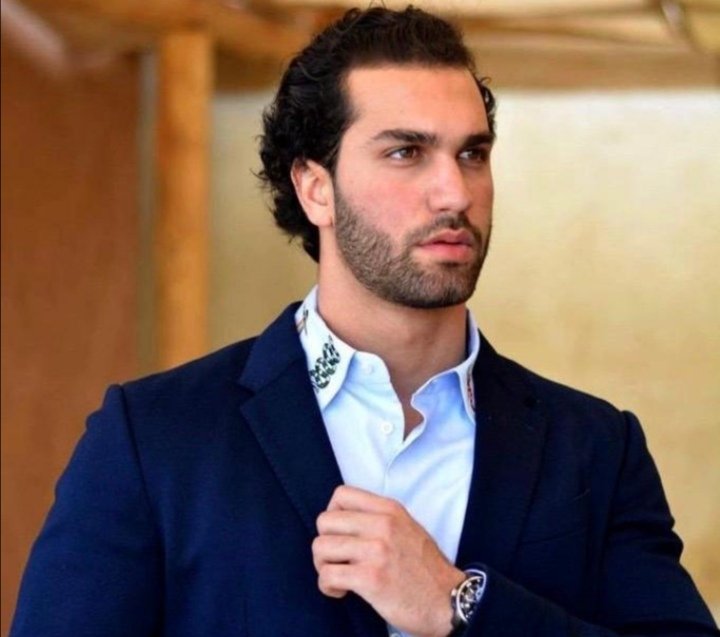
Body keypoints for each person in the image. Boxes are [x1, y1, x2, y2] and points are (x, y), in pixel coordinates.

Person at [10, 6, 718, 637]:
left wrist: (460, 604)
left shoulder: (594, 448)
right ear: (315, 187)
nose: (454, 191)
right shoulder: (155, 439)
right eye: (406, 152)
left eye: (471, 154)